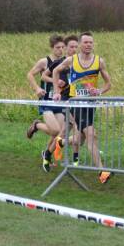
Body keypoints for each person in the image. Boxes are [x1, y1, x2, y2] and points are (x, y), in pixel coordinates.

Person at [52, 31, 113, 183]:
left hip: (91, 104)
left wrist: (99, 91)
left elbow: (108, 84)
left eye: (91, 42)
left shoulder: (99, 62)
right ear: (80, 44)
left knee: (81, 140)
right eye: (85, 42)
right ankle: (102, 171)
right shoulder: (71, 60)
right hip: (76, 103)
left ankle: (61, 142)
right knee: (92, 134)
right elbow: (55, 71)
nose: (88, 45)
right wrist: (57, 91)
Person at [26, 35, 67, 172]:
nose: (60, 50)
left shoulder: (65, 62)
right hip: (46, 101)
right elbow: (30, 74)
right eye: (57, 47)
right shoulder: (44, 61)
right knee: (55, 130)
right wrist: (37, 89)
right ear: (52, 48)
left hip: (59, 101)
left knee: (59, 133)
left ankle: (46, 154)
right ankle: (36, 125)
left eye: (62, 47)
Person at [46, 35, 80, 164]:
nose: (74, 49)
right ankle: (75, 159)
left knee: (65, 131)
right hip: (66, 100)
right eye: (71, 47)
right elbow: (44, 76)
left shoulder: (80, 62)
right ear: (65, 48)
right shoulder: (60, 62)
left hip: (77, 99)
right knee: (77, 127)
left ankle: (48, 153)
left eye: (76, 47)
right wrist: (56, 84)